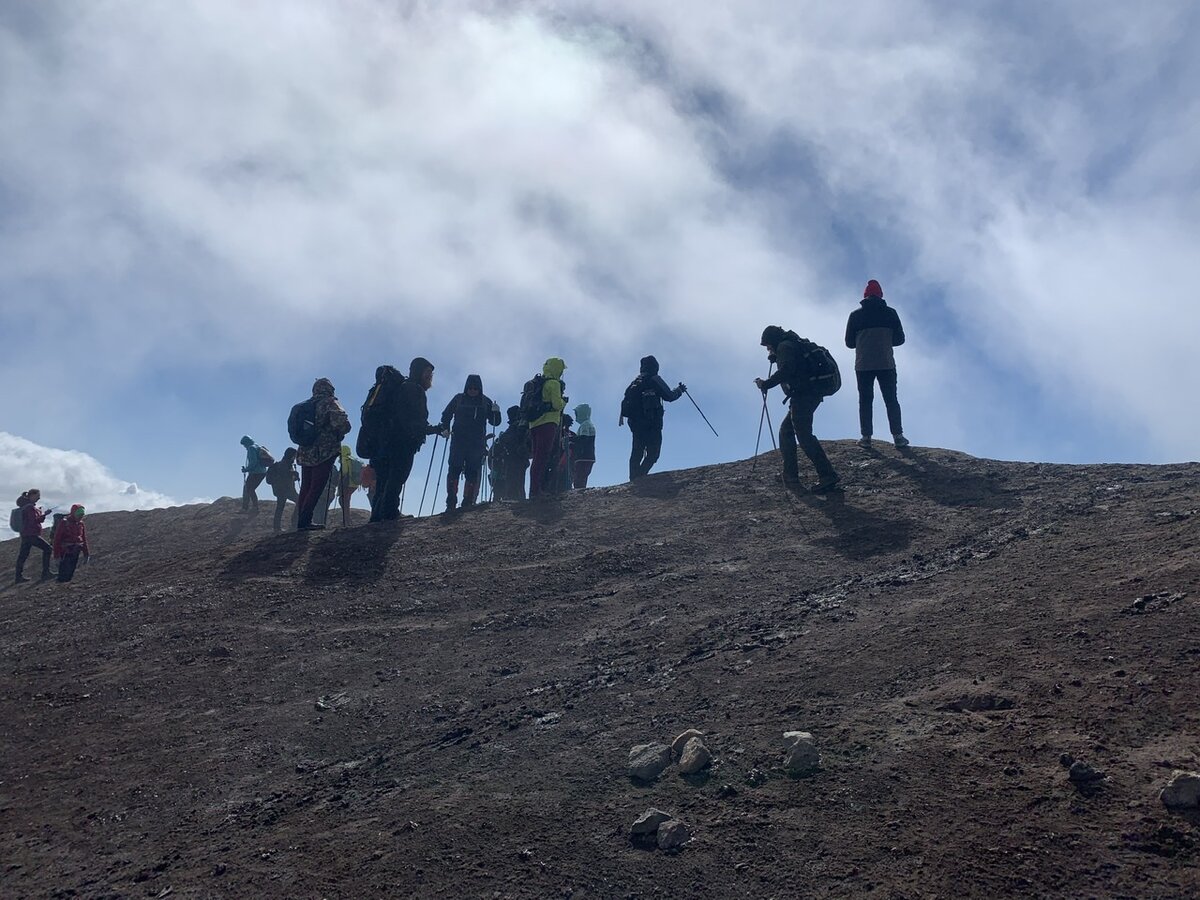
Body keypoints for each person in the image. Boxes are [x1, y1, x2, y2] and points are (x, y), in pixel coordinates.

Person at [756, 326, 841, 493]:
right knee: (787, 430)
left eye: (767, 345)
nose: (767, 349)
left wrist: (766, 384)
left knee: (802, 434)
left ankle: (826, 475)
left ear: (772, 340)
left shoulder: (784, 347)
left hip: (804, 394)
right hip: (811, 391)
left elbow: (786, 371)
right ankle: (791, 475)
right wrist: (776, 357)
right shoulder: (792, 343)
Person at [371, 358, 441, 521]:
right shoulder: (414, 389)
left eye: (431, 373)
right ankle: (390, 513)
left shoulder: (401, 387)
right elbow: (413, 421)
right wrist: (433, 430)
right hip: (402, 442)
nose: (430, 377)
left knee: (383, 479)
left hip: (384, 441)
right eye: (427, 372)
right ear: (418, 372)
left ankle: (376, 516)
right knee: (397, 477)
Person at [845, 279, 908, 449]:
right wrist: (884, 342)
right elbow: (900, 339)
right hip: (886, 362)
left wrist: (864, 341)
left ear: (865, 296)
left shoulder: (855, 315)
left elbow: (849, 343)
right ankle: (898, 436)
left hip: (863, 364)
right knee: (891, 399)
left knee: (865, 400)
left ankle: (866, 437)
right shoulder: (891, 313)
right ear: (881, 295)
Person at [439, 374, 502, 512]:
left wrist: (496, 413)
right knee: (454, 469)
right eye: (470, 388)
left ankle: (467, 502)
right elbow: (446, 414)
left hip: (476, 443)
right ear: (466, 387)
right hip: (459, 441)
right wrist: (445, 427)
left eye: (475, 388)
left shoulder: (485, 401)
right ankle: (451, 501)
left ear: (480, 388)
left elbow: (495, 422)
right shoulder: (459, 399)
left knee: (472, 472)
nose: (472, 390)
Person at [295, 378, 351, 530]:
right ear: (330, 389)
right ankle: (305, 521)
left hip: (305, 451)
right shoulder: (330, 402)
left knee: (306, 486)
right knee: (317, 486)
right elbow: (343, 424)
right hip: (324, 451)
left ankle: (301, 520)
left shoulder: (306, 405)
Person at [620, 355, 685, 480]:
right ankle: (640, 477)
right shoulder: (654, 379)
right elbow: (669, 396)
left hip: (636, 425)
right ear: (655, 367)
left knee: (637, 452)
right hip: (652, 424)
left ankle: (633, 479)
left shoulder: (634, 383)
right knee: (653, 453)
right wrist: (680, 390)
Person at [527, 358, 567, 499]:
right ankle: (536, 491)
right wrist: (563, 402)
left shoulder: (540, 383)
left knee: (537, 457)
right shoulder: (554, 383)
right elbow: (557, 405)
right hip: (548, 423)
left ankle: (534, 490)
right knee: (542, 457)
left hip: (534, 424)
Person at [490, 405, 530, 501]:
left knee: (514, 482)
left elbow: (504, 440)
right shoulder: (519, 427)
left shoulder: (515, 428)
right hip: (516, 459)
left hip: (513, 459)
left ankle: (514, 500)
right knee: (517, 483)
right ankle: (517, 500)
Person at [14, 489, 53, 583]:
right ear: (32, 495)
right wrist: (44, 514)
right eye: (37, 496)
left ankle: (18, 577)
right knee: (48, 549)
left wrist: (40, 513)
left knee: (23, 555)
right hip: (31, 534)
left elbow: (33, 520)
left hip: (25, 535)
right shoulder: (30, 508)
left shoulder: (25, 507)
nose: (39, 498)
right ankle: (45, 573)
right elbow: (34, 521)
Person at [52, 504, 90, 582]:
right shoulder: (64, 523)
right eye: (79, 515)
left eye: (82, 515)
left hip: (76, 550)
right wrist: (56, 556)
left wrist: (86, 553)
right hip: (65, 551)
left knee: (71, 572)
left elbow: (83, 539)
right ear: (73, 513)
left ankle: (65, 583)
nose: (80, 517)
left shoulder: (81, 524)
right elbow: (57, 539)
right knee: (63, 573)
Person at [265, 447, 300, 533]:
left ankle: (277, 527)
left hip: (281, 490)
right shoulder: (285, 464)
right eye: (295, 455)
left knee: (280, 507)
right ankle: (294, 522)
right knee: (300, 501)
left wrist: (294, 476)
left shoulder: (285, 464)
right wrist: (293, 474)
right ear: (292, 455)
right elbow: (284, 476)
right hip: (286, 490)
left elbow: (286, 477)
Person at [239, 435, 272, 514]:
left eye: (244, 445)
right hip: (263, 472)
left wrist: (246, 469)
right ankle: (251, 507)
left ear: (246, 443)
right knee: (250, 489)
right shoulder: (257, 446)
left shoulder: (251, 448)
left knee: (249, 489)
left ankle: (252, 508)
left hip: (255, 472)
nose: (244, 447)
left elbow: (253, 462)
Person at [572, 404, 597, 488]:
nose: (576, 416)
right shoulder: (589, 424)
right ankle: (581, 491)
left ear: (582, 413)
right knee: (582, 478)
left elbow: (583, 439)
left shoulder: (585, 425)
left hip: (583, 457)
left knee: (578, 478)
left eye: (577, 413)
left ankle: (578, 492)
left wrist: (571, 440)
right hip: (589, 456)